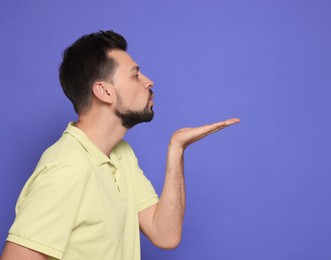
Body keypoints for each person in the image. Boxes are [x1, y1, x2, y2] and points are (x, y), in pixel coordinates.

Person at [0, 30, 239, 260]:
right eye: (135, 75)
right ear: (104, 91)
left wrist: (177, 149)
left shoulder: (121, 155)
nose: (149, 82)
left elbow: (165, 234)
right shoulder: (66, 168)